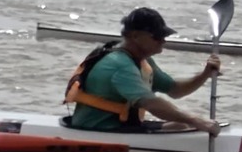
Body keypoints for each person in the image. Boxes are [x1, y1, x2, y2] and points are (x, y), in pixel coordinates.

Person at [65, 7, 222, 133]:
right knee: (184, 124)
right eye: (157, 36)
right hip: (97, 130)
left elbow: (175, 90)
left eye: (164, 36)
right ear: (135, 36)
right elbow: (152, 105)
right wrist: (196, 120)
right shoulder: (119, 65)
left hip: (121, 126)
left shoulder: (142, 60)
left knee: (181, 125)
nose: (163, 41)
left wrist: (205, 74)